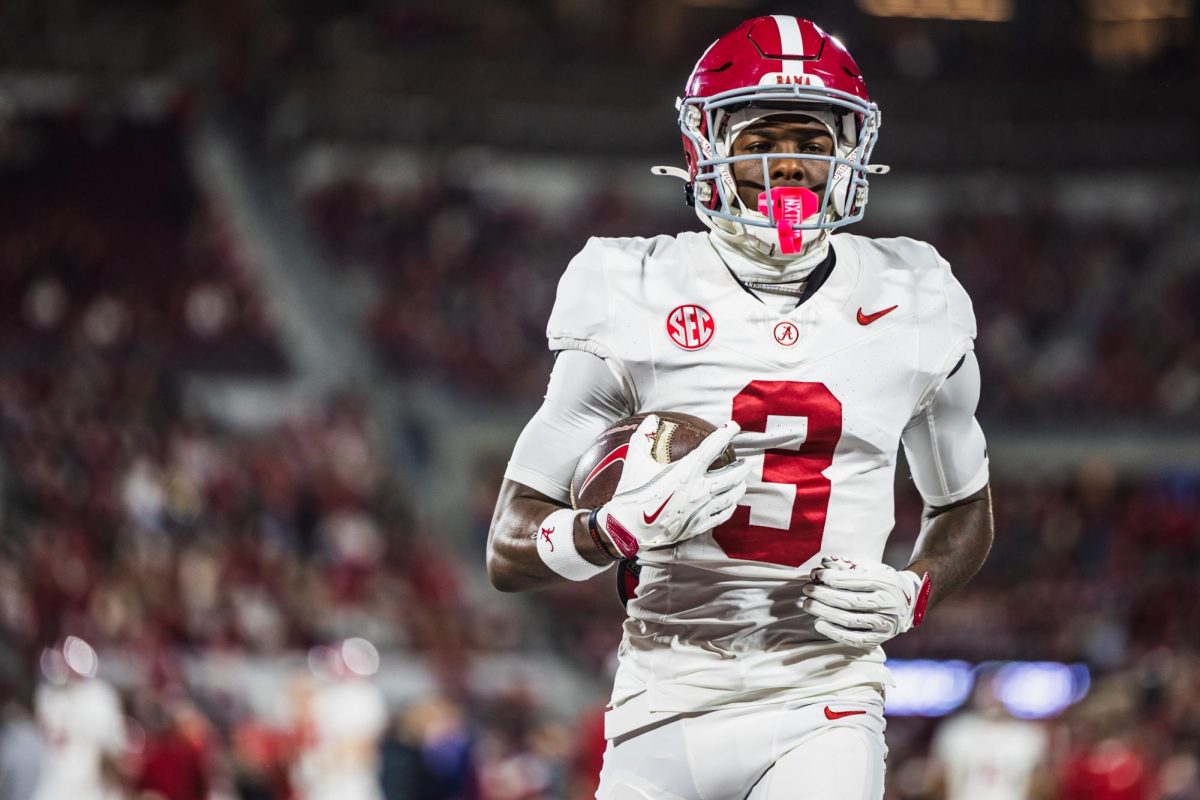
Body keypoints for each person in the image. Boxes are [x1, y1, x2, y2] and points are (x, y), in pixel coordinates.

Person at [487, 15, 994, 799]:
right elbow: (509, 548)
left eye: (812, 139)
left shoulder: (916, 294)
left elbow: (962, 507)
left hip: (822, 698)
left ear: (847, 152)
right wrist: (613, 528)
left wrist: (912, 589)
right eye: (761, 138)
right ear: (708, 145)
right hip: (660, 695)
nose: (789, 162)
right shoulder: (631, 287)